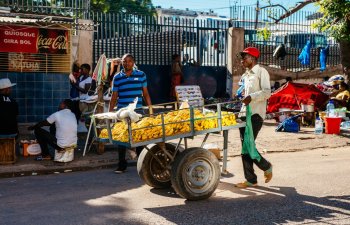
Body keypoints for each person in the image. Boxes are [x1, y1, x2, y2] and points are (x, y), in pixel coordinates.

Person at [235, 47, 273, 188]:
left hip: (256, 114)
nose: (242, 60)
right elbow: (245, 93)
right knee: (245, 148)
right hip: (245, 113)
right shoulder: (246, 75)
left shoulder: (261, 72)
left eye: (245, 57)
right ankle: (251, 179)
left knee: (248, 146)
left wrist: (252, 97)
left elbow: (267, 92)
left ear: (252, 58)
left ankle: (266, 166)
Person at [109, 53, 152, 174]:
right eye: (124, 61)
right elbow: (114, 96)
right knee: (121, 138)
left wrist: (150, 109)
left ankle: (142, 163)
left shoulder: (141, 75)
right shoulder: (117, 77)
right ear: (121, 63)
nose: (126, 63)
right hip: (122, 111)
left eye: (129, 61)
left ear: (133, 62)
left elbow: (146, 93)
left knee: (139, 137)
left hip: (137, 111)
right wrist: (110, 112)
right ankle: (122, 164)